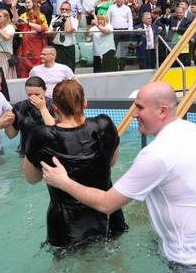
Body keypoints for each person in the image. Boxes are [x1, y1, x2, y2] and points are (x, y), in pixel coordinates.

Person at [40, 82, 196, 273]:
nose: (134, 113)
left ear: (162, 111)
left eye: (140, 107)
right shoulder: (192, 130)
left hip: (187, 255)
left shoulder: (156, 155)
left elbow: (106, 204)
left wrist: (63, 182)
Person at [22, 79, 128, 249]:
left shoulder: (41, 137)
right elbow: (112, 162)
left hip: (67, 226)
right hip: (109, 218)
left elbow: (32, 179)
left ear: (54, 107)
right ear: (85, 103)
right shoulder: (104, 125)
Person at [12, 76, 55, 156]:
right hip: (25, 152)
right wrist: (7, 123)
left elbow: (56, 131)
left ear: (45, 91)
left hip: (49, 152)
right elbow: (11, 135)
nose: (33, 98)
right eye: (29, 95)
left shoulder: (54, 105)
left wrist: (43, 108)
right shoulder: (19, 106)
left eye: (37, 94)